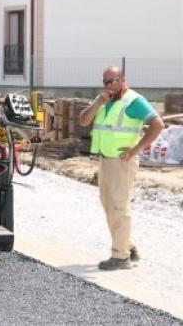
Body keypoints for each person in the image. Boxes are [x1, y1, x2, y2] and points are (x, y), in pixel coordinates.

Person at [78, 66, 163, 270]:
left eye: (113, 81)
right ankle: (127, 245)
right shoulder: (104, 100)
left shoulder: (134, 101)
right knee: (108, 205)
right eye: (106, 81)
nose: (109, 85)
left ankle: (121, 256)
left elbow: (157, 124)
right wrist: (98, 102)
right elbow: (83, 120)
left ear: (123, 80)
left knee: (119, 206)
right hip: (106, 160)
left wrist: (135, 149)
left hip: (122, 162)